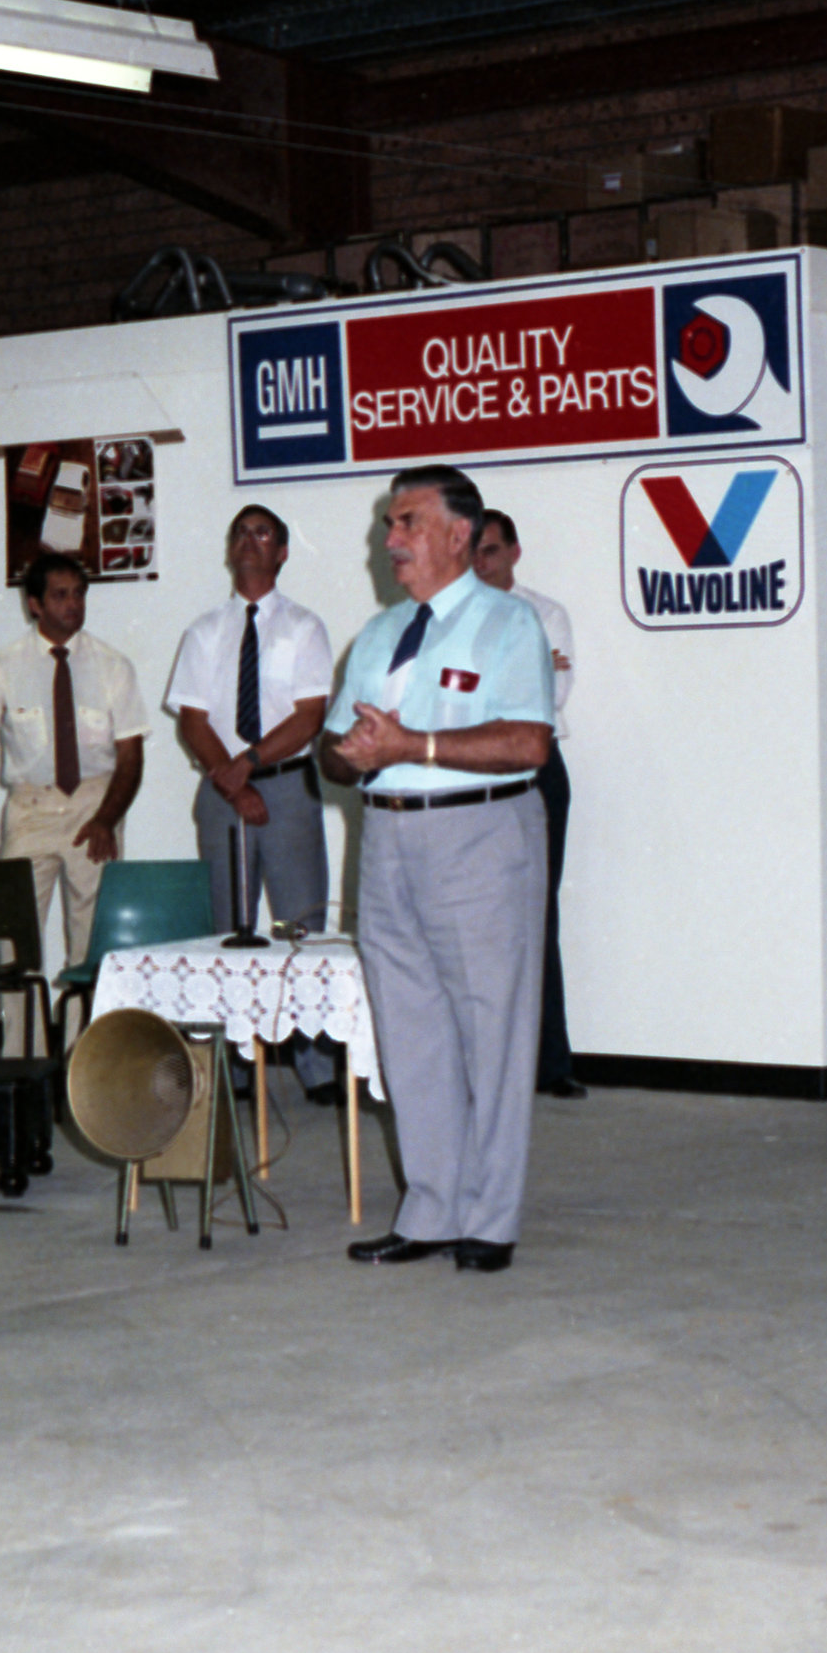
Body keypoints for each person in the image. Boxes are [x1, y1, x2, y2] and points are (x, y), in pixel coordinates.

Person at [320, 466, 556, 1273]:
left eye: (408, 522)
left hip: (479, 835)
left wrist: (410, 745)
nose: (390, 539)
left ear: (460, 534)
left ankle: (489, 1218)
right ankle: (430, 1209)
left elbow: (527, 742)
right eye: (390, 523)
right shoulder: (379, 635)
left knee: (493, 1031)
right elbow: (334, 751)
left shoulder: (509, 624)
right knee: (409, 1031)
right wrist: (351, 755)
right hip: (386, 836)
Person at [164, 504, 337, 1099]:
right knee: (228, 930)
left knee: (300, 926)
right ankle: (235, 1065)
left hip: (287, 787)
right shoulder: (204, 631)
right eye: (240, 531)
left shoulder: (305, 627)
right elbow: (192, 719)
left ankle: (315, 1066)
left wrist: (250, 765)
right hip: (222, 791)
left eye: (261, 532)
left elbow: (309, 716)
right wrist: (233, 781)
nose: (248, 540)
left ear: (282, 552)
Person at [0, 550, 147, 1051]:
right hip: (30, 811)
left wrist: (107, 819)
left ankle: (83, 1061)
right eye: (60, 596)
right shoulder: (2, 667)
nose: (72, 605)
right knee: (15, 943)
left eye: (79, 594)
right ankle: (23, 1061)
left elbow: (131, 756)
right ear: (34, 604)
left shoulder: (112, 666)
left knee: (92, 944)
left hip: (95, 806)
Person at [472, 508, 584, 1099]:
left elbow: (550, 695)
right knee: (473, 915)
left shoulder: (547, 614)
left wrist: (492, 683)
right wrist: (525, 669)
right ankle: (484, 1063)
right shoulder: (451, 615)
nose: (481, 562)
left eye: (491, 550)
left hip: (536, 769)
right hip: (470, 770)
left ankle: (549, 1063)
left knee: (537, 912)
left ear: (514, 553)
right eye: (473, 550)